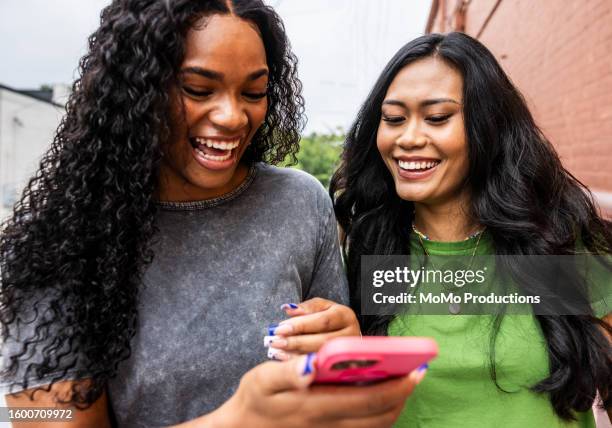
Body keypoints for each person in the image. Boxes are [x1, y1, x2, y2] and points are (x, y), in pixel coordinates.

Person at [0, 1, 422, 426]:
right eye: (199, 90)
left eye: (254, 92)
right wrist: (241, 418)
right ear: (135, 89)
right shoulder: (58, 243)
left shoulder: (299, 202)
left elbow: (336, 405)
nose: (232, 116)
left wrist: (346, 359)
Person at [329, 32, 612, 427]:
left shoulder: (551, 241)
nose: (408, 138)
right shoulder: (371, 248)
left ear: (488, 125)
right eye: (393, 118)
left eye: (437, 117)